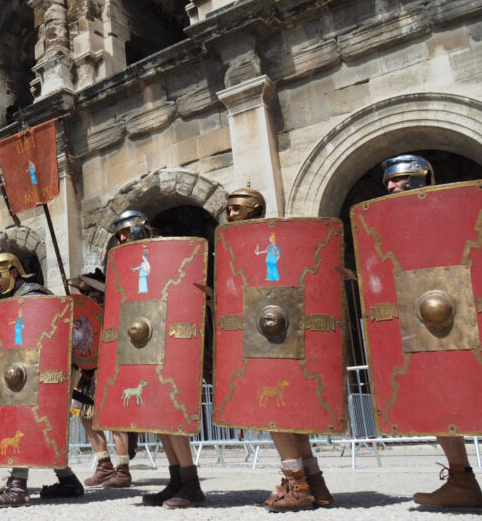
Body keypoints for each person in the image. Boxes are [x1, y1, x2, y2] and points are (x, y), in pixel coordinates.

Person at [381, 154, 482, 509]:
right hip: (429, 322)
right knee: (441, 401)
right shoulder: (393, 223)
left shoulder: (449, 210)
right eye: (390, 182)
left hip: (470, 312)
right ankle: (462, 481)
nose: (392, 187)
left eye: (400, 180)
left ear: (422, 180)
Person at [224, 187, 334, 511]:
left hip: (274, 333)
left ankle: (296, 485)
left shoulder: (274, 238)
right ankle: (316, 483)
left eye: (235, 208)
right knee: (286, 414)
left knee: (276, 413)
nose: (230, 214)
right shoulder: (234, 245)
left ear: (253, 208)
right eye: (228, 209)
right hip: (261, 331)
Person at [112, 210, 206, 508]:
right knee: (160, 421)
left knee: (173, 416)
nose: (122, 239)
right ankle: (176, 480)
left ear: (141, 228)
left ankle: (191, 484)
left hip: (173, 343)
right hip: (147, 345)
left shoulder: (168, 252)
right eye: (119, 235)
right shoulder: (128, 262)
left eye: (126, 232)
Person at [0, 252, 85, 508]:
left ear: (14, 272)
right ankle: (68, 481)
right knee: (36, 424)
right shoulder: (17, 300)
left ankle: (18, 485)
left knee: (25, 419)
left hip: (39, 371)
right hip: (28, 370)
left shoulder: (33, 297)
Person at [68, 271, 135, 489]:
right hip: (89, 371)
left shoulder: (114, 311)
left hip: (110, 369)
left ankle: (123, 470)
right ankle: (104, 465)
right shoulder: (84, 314)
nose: (84, 295)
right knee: (86, 417)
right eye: (82, 292)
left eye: (87, 292)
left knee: (115, 420)